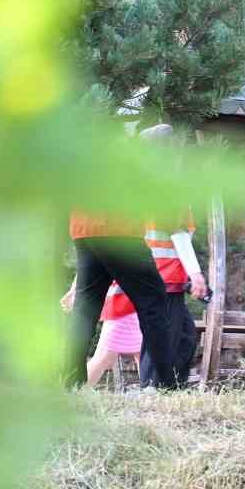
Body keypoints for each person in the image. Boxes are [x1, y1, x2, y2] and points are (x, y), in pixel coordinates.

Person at [67, 127, 179, 389]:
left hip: (83, 229)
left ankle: (70, 382)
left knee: (86, 307)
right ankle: (164, 384)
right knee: (154, 302)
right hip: (119, 232)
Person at [137, 205, 208, 388]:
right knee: (162, 333)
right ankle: (151, 387)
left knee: (186, 335)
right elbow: (179, 234)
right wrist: (195, 273)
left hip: (165, 277)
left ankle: (171, 385)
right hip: (163, 276)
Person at [61, 280, 141, 387]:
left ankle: (73, 391)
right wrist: (74, 290)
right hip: (125, 303)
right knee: (104, 357)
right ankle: (73, 391)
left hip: (132, 301)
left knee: (144, 354)